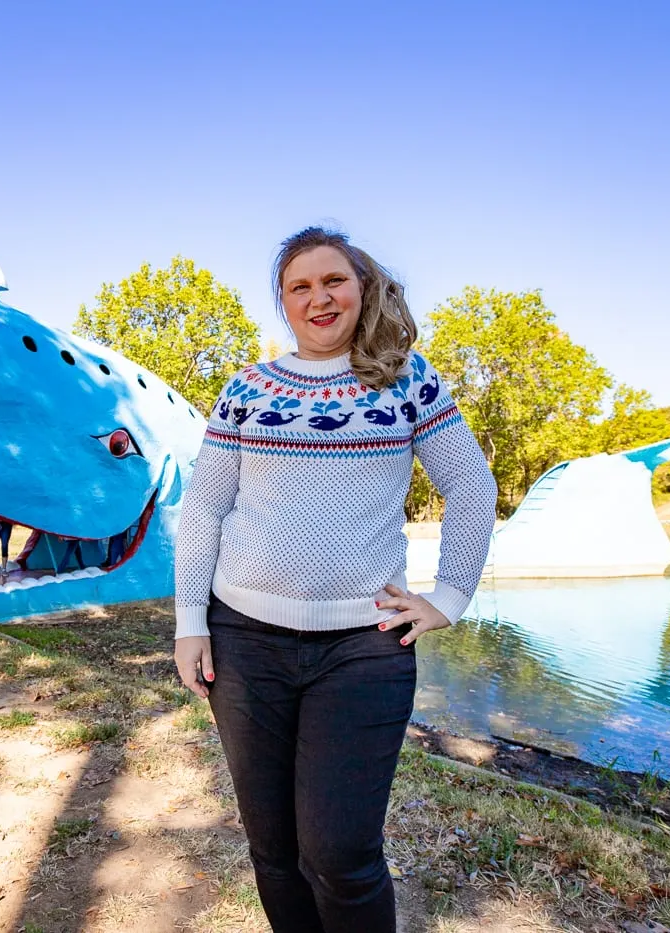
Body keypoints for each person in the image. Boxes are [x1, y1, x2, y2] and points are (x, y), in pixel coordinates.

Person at [173, 227, 498, 933]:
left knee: (341, 852)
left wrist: (449, 597)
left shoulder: (407, 379)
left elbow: (471, 484)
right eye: (300, 286)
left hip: (363, 651)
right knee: (274, 849)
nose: (319, 297)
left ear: (362, 287)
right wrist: (190, 622)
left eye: (334, 281)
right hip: (244, 644)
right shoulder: (248, 390)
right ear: (283, 303)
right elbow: (204, 505)